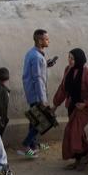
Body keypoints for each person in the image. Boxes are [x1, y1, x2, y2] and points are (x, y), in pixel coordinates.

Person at [53, 48, 88, 169]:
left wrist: (85, 104)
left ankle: (85, 154)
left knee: (72, 131)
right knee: (77, 133)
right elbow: (63, 89)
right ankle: (80, 159)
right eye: (69, 57)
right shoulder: (68, 70)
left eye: (72, 58)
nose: (69, 60)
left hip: (84, 109)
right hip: (72, 106)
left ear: (79, 59)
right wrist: (55, 105)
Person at [21, 30, 55, 158]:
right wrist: (43, 99)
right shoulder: (36, 57)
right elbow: (38, 78)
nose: (48, 41)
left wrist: (46, 64)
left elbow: (37, 71)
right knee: (40, 121)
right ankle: (26, 145)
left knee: (34, 119)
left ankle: (34, 146)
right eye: (46, 39)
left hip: (32, 93)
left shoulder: (34, 54)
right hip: (37, 94)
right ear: (40, 40)